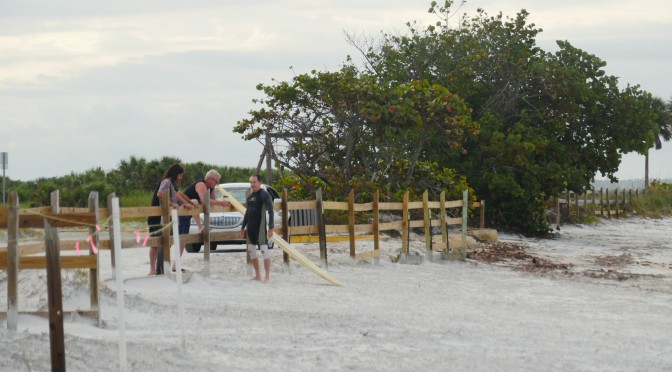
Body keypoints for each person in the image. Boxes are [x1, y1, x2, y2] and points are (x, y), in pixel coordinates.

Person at [148, 163, 195, 275]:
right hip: (157, 217)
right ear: (175, 174)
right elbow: (160, 194)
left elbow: (179, 195)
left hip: (167, 218)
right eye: (180, 175)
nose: (181, 178)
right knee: (155, 243)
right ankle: (152, 269)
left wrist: (188, 203)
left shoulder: (171, 184)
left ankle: (162, 268)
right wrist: (171, 204)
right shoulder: (166, 182)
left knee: (166, 243)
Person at [239, 174, 275, 282]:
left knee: (264, 250)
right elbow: (247, 214)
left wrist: (271, 228)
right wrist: (242, 228)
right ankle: (258, 275)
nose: (252, 184)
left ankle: (267, 276)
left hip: (261, 228)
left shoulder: (265, 195)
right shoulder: (250, 197)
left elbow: (271, 211)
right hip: (250, 228)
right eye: (251, 182)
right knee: (251, 251)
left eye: (254, 182)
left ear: (260, 183)